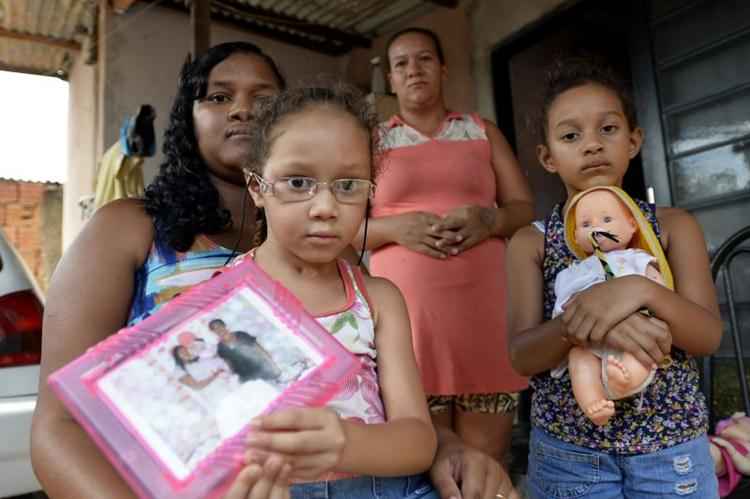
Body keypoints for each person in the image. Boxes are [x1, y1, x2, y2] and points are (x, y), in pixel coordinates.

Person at [30, 40, 510, 499]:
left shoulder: (340, 267)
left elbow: (381, 401)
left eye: (264, 98)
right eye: (219, 96)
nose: (242, 110)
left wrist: (447, 449)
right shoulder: (129, 229)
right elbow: (64, 427)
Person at [506, 57, 724, 498]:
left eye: (607, 129)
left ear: (634, 140)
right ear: (547, 157)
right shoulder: (530, 243)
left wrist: (638, 289)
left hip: (672, 448)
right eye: (571, 135)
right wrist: (581, 323)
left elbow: (707, 336)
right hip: (569, 454)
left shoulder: (672, 227)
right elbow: (521, 355)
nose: (591, 145)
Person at [359, 26, 534, 468]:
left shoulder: (481, 131)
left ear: (443, 69)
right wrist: (395, 228)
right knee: (425, 460)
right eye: (401, 64)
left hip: (485, 313)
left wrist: (490, 219)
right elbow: (345, 227)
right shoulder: (372, 142)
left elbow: (522, 207)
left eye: (423, 59)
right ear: (391, 80)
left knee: (487, 457)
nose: (413, 70)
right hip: (409, 321)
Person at [552, 186, 671, 426]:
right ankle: (592, 402)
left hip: (634, 336)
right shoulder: (573, 272)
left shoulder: (637, 259)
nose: (597, 228)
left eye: (607, 219)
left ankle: (623, 381)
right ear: (575, 237)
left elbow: (660, 293)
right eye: (586, 224)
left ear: (631, 226)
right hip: (590, 340)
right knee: (578, 358)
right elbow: (563, 309)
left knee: (639, 353)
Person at [208, 318, 282, 383]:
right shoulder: (220, 348)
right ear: (213, 332)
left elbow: (260, 349)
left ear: (224, 325)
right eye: (215, 329)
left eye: (219, 326)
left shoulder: (241, 335)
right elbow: (230, 366)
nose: (219, 330)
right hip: (247, 377)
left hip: (262, 368)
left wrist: (273, 365)